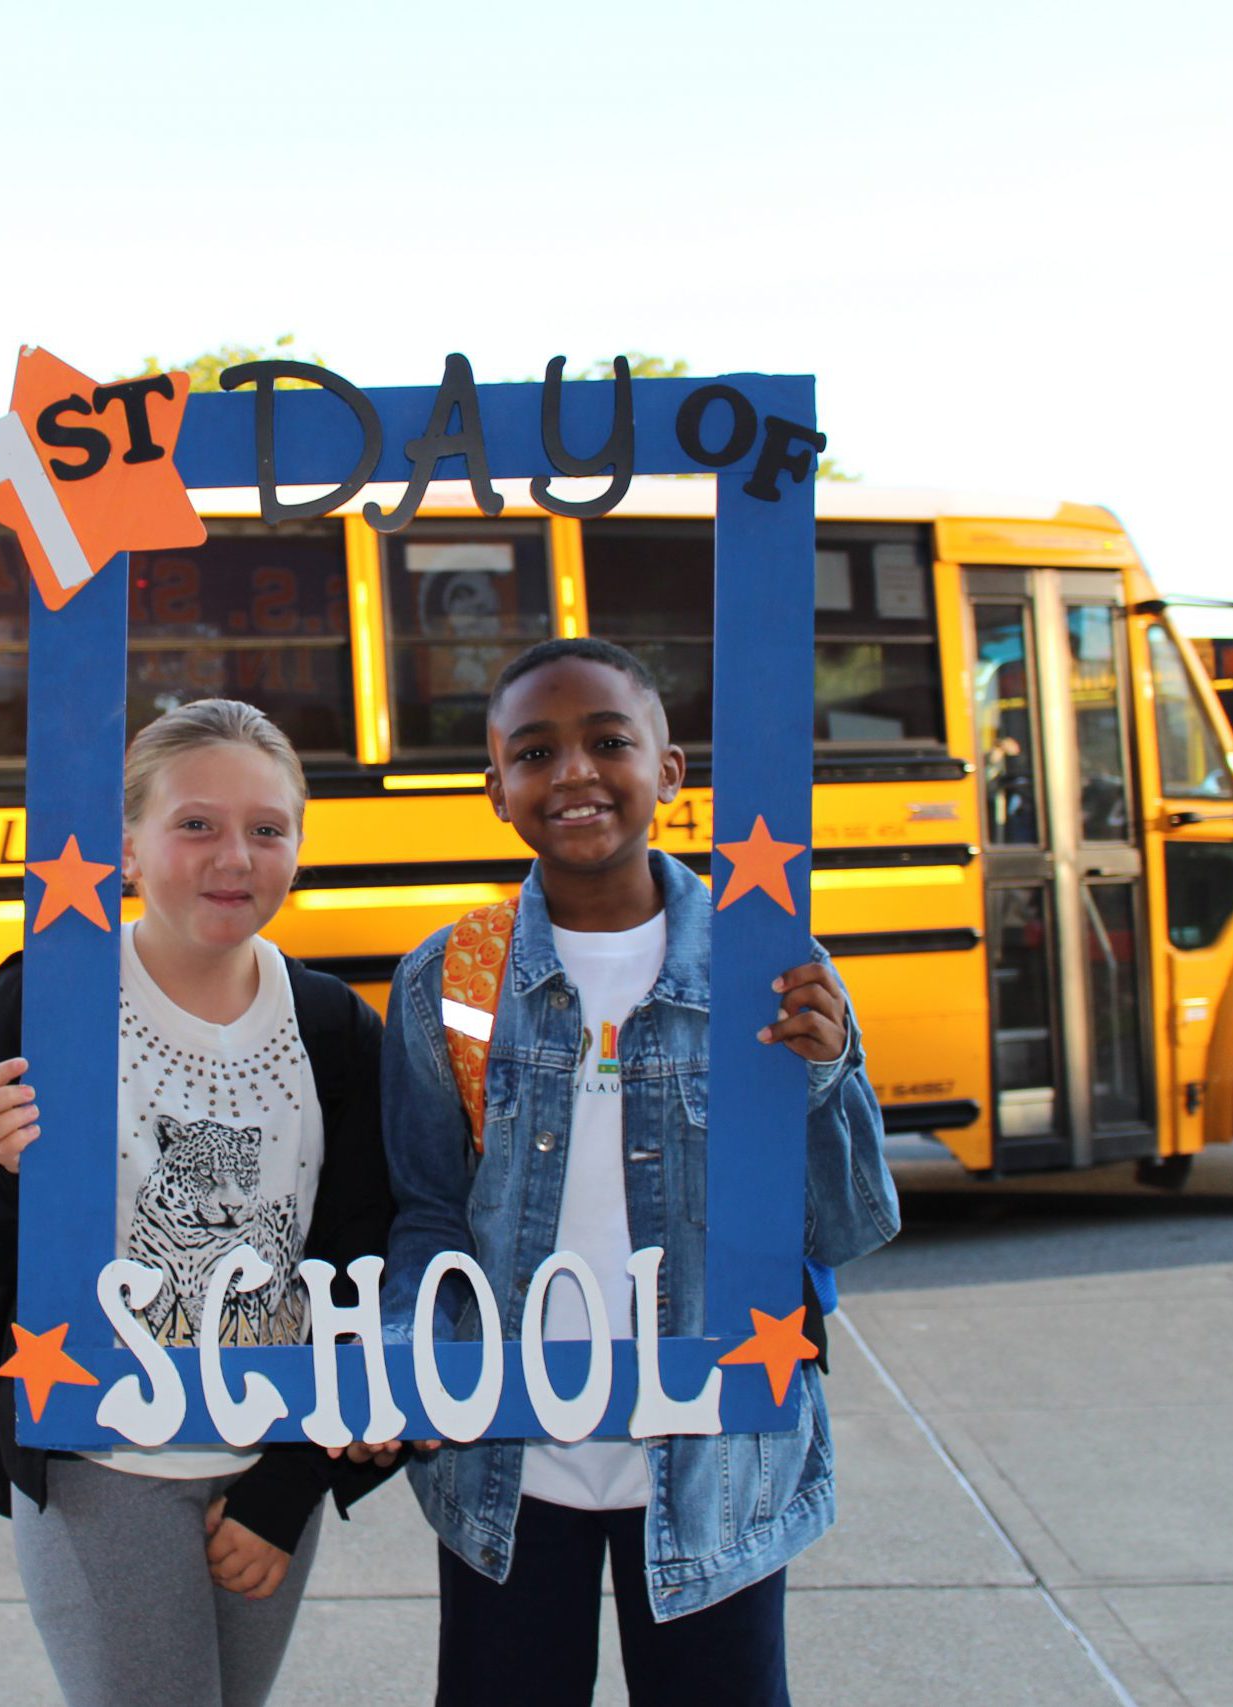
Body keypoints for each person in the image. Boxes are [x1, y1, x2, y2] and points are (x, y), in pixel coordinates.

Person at [377, 637, 900, 1706]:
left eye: (608, 741)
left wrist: (827, 1073)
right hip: (507, 1464)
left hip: (716, 1463)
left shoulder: (769, 967)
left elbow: (843, 1224)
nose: (573, 772)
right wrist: (408, 1357)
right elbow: (427, 1212)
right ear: (496, 790)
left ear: (667, 770)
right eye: (534, 752)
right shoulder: (449, 977)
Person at [0, 697, 397, 1707]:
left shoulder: (334, 1026)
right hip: (99, 1454)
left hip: (271, 1454)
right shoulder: (48, 999)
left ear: (298, 849)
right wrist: (9, 1174)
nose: (235, 855)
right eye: (197, 824)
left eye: (266, 829)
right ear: (126, 849)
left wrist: (289, 1486)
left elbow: (366, 1265)